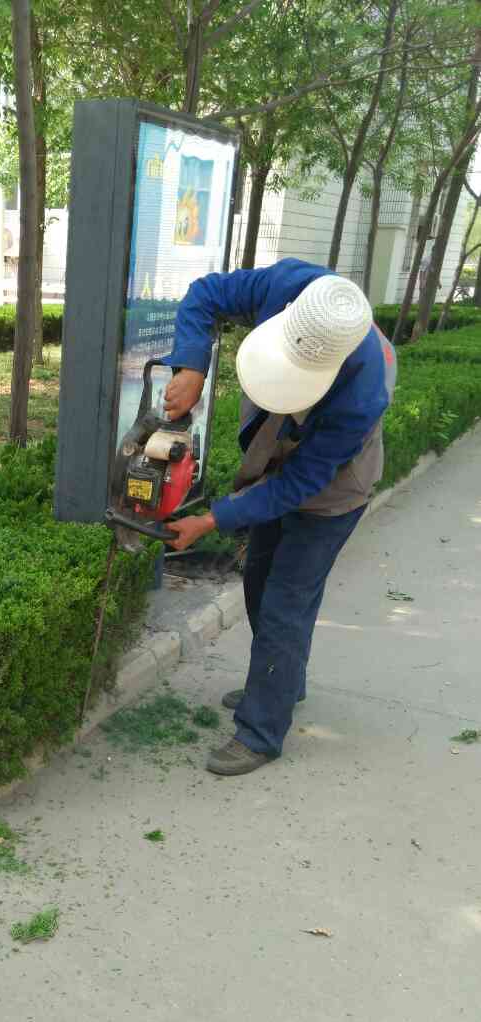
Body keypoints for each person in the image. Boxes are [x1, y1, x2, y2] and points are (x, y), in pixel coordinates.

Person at [162, 258, 397, 777]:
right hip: (278, 452)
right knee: (259, 581)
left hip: (333, 490)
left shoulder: (362, 395)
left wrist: (214, 519)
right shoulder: (291, 286)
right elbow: (204, 293)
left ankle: (261, 732)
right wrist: (192, 365)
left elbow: (299, 484)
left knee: (285, 604)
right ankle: (283, 682)